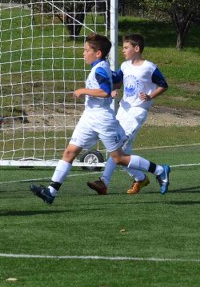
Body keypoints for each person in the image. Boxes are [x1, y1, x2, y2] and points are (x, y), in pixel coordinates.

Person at [30, 33, 170, 205]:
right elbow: (113, 84)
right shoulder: (104, 67)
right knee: (69, 152)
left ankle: (159, 170)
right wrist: (113, 88)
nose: (83, 53)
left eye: (86, 50)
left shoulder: (101, 69)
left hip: (103, 119)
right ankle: (51, 192)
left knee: (119, 157)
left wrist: (83, 90)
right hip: (89, 116)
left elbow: (104, 91)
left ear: (97, 53)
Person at [87, 33, 168, 195]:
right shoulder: (124, 66)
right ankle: (141, 177)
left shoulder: (149, 67)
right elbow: (117, 82)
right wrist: (112, 90)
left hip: (137, 111)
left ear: (136, 48)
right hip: (123, 110)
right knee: (120, 152)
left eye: (126, 47)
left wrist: (150, 96)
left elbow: (163, 85)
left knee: (117, 147)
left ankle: (104, 182)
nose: (123, 50)